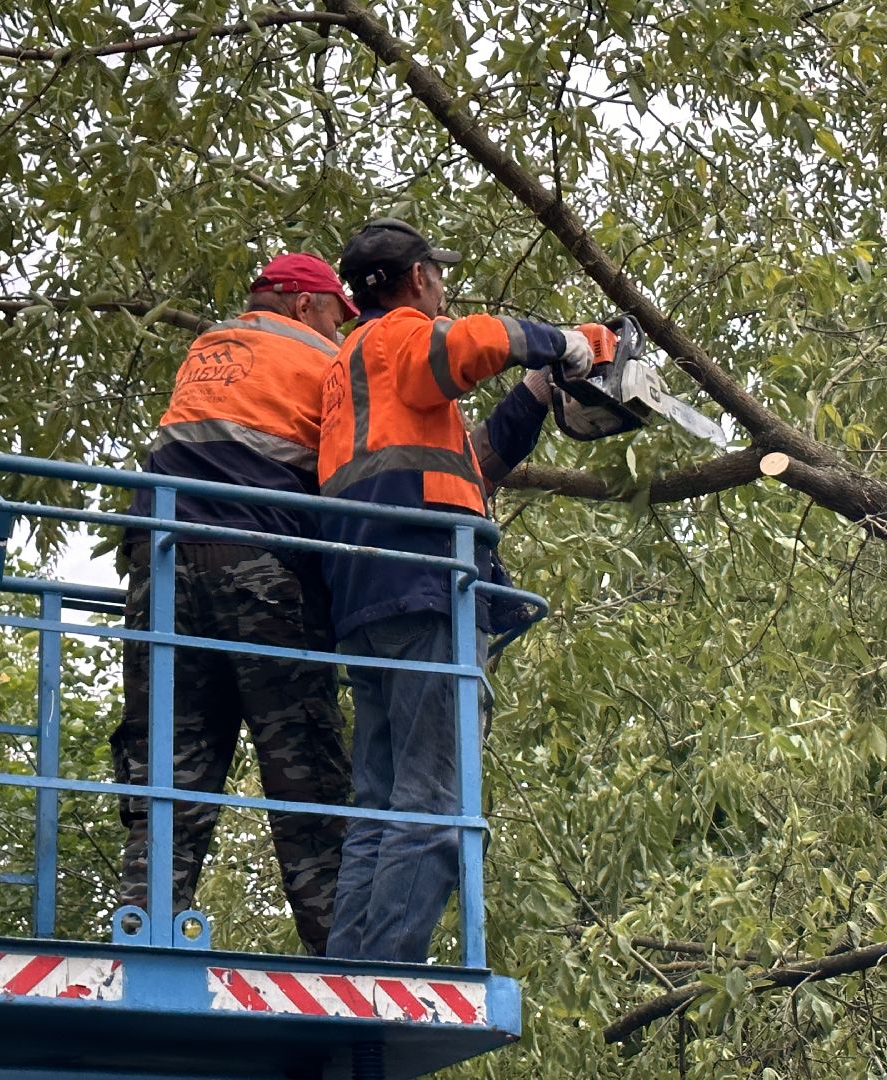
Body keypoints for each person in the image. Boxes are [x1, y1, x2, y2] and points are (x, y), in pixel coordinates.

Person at [318, 218, 613, 962]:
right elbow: (460, 346)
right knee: (436, 803)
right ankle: (383, 979)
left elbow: (471, 466)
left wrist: (538, 388)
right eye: (436, 276)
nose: (443, 288)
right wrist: (564, 343)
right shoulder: (399, 339)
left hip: (369, 591)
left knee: (381, 806)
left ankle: (348, 966)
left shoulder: (355, 375)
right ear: (417, 279)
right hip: (425, 584)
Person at [113, 253, 358, 956]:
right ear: (307, 306)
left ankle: (142, 930)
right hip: (259, 570)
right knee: (302, 764)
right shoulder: (324, 360)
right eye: (338, 314)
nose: (343, 328)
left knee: (171, 761)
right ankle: (337, 957)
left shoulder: (209, 349)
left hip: (159, 573)